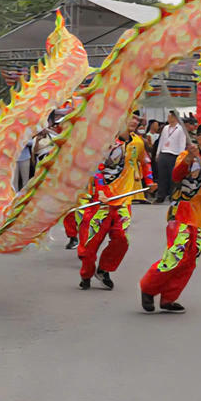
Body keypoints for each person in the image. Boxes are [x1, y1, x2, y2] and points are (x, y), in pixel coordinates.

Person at [139, 122, 201, 313]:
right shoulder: (185, 156)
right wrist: (189, 159)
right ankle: (148, 288)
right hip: (179, 214)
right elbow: (176, 176)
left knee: (190, 260)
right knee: (176, 255)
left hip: (198, 218)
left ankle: (169, 298)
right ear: (199, 137)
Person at [78, 115, 153, 290]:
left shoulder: (138, 143)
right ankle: (86, 273)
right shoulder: (104, 141)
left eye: (136, 118)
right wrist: (102, 191)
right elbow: (96, 168)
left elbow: (145, 162)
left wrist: (149, 182)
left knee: (121, 239)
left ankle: (104, 269)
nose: (134, 121)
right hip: (101, 201)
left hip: (123, 200)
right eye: (130, 118)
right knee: (91, 242)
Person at [153, 110, 187, 203]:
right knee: (162, 176)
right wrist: (158, 153)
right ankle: (161, 196)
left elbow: (182, 143)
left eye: (170, 116)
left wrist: (181, 157)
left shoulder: (180, 129)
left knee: (173, 177)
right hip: (164, 153)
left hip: (174, 154)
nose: (168, 118)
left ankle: (173, 195)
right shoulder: (165, 128)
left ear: (175, 117)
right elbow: (161, 141)